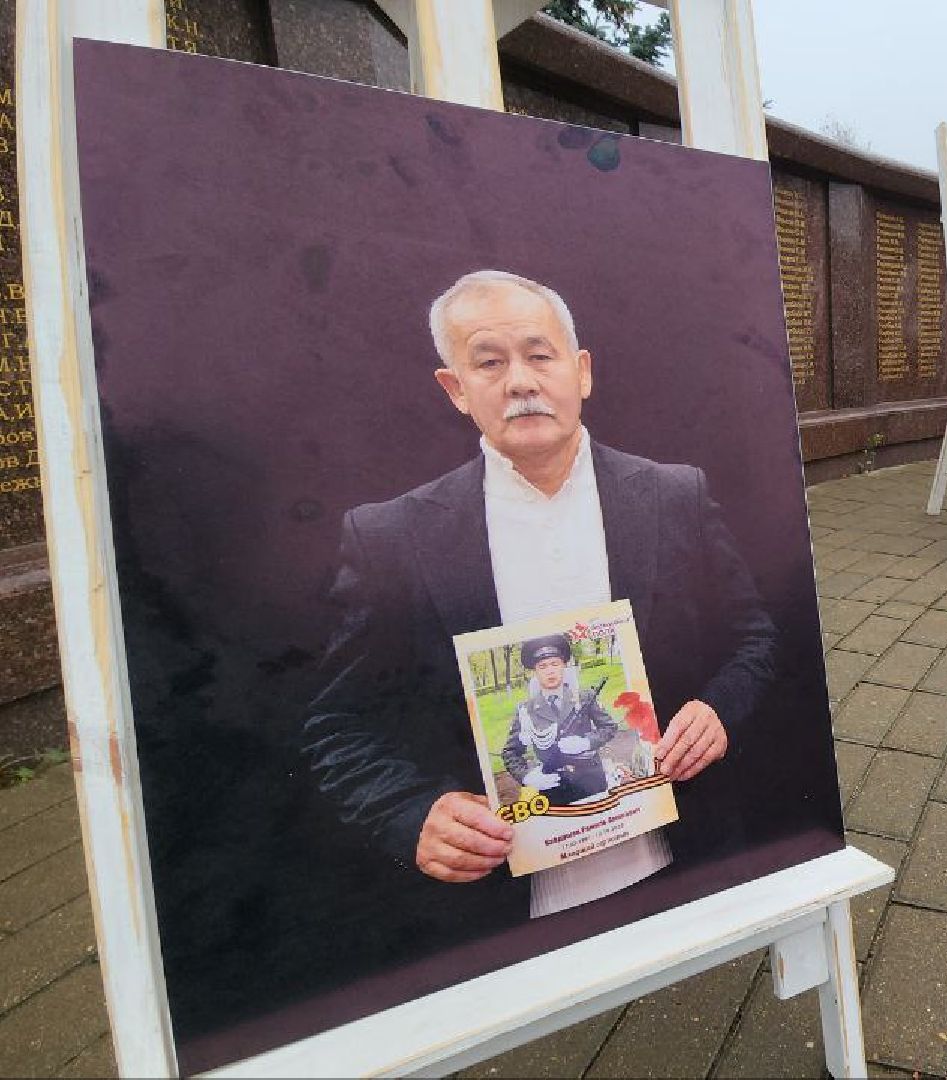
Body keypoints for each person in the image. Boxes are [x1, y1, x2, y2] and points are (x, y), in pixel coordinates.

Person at [304, 269, 779, 925]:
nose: (520, 381)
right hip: (499, 904)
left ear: (580, 371)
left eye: (539, 355)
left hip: (680, 859)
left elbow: (752, 638)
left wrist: (717, 709)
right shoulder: (393, 537)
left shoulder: (675, 497)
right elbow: (339, 725)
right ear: (456, 389)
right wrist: (410, 813)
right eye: (489, 363)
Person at [500, 634, 620, 806]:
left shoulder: (585, 697)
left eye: (555, 664)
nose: (550, 671)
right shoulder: (526, 710)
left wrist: (586, 742)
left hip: (590, 780)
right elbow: (510, 752)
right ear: (535, 671)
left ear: (564, 665)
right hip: (552, 785)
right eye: (542, 666)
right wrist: (527, 776)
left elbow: (609, 727)